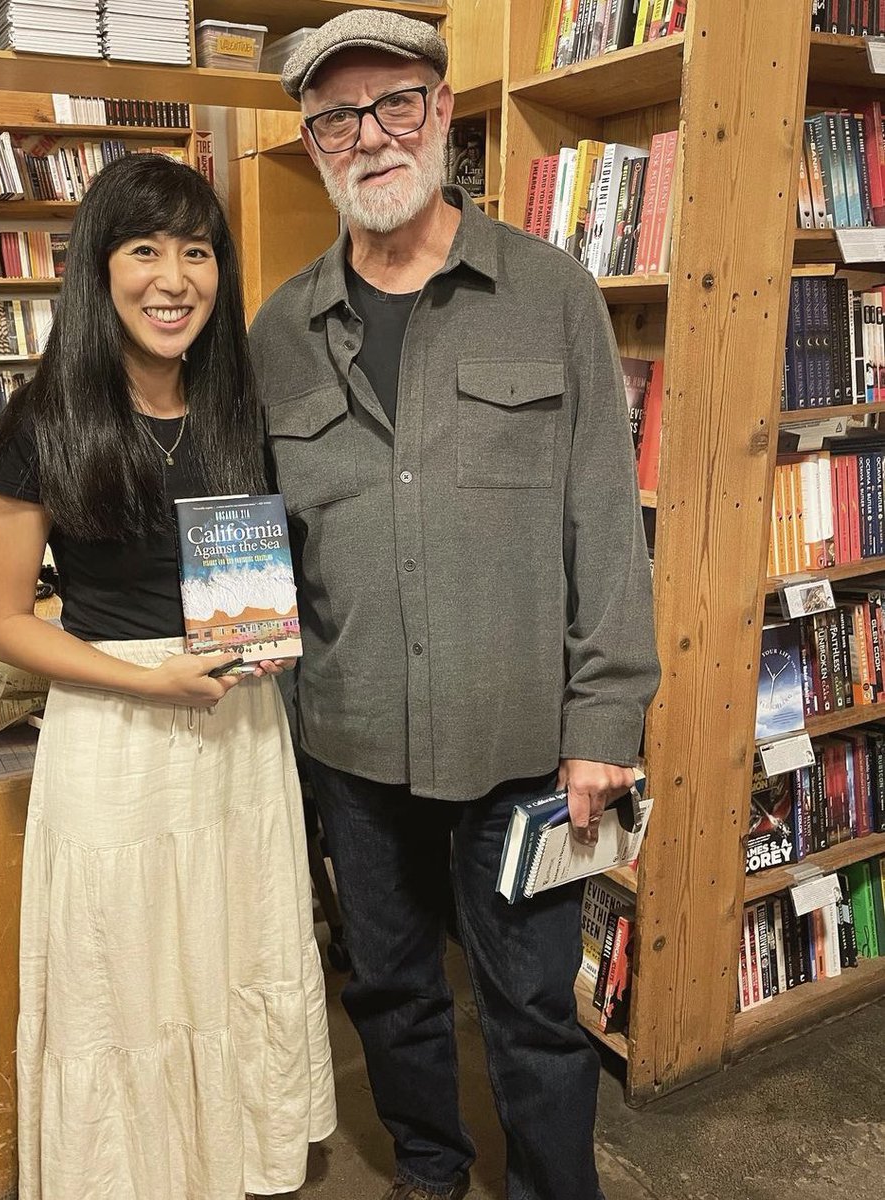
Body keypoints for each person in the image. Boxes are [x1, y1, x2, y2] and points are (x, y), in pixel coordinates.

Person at [248, 12, 660, 1200]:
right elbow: (262, 550)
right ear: (314, 142)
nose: (368, 137)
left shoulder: (551, 294)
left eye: (393, 106)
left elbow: (603, 520)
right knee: (386, 989)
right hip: (351, 745)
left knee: (531, 1009)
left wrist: (603, 727)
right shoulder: (280, 330)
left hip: (523, 748)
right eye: (336, 117)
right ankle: (430, 1170)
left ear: (440, 111)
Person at [0, 153, 335, 1200]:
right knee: (121, 972)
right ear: (99, 268)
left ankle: (236, 1154)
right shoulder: (44, 420)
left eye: (196, 250)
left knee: (235, 942)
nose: (172, 277)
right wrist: (149, 682)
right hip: (117, 734)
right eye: (144, 249)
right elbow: (0, 621)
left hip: (239, 723)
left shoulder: (239, 406)